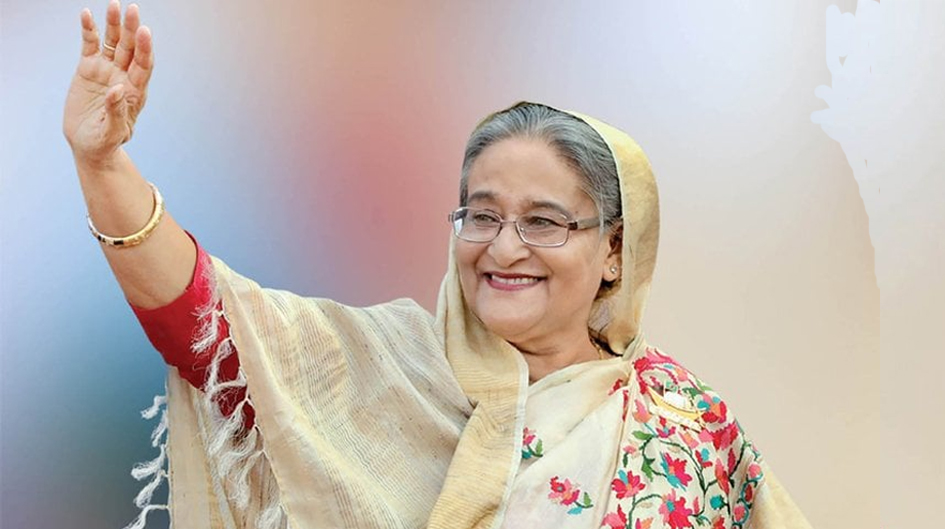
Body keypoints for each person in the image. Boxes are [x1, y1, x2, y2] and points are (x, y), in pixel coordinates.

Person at [64, 3, 812, 529]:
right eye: (482, 215)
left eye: (543, 221)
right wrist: (103, 165)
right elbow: (206, 325)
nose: (505, 247)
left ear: (615, 249)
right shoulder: (377, 369)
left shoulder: (685, 429)